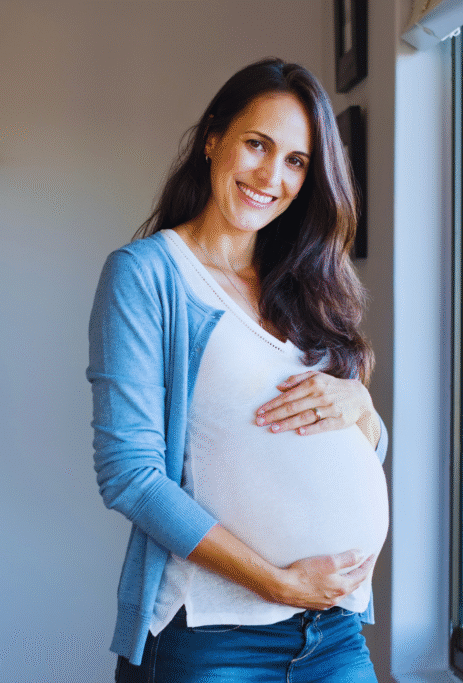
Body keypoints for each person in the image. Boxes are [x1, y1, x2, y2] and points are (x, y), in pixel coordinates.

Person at [88, 57, 389, 682]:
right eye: (257, 144)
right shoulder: (149, 275)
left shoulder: (308, 284)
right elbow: (131, 476)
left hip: (333, 631)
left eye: (296, 161)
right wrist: (277, 583)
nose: (270, 175)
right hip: (213, 635)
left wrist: (361, 407)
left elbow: (362, 449)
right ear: (212, 138)